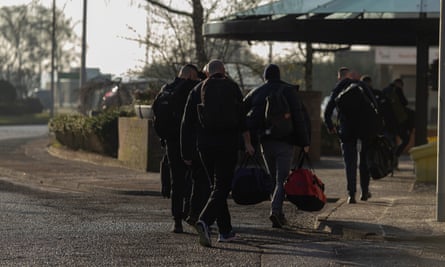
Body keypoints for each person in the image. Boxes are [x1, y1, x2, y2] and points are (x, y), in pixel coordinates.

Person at [181, 59, 255, 247]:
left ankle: (225, 231)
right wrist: (247, 143)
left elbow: (186, 123)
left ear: (206, 73)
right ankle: (204, 221)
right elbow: (242, 118)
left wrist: (186, 152)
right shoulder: (232, 87)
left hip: (205, 146)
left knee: (217, 187)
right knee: (222, 187)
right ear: (224, 71)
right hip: (228, 144)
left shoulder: (197, 90)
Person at [244, 64, 310, 228]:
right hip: (286, 142)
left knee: (273, 178)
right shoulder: (289, 91)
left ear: (265, 77)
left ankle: (279, 213)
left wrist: (247, 142)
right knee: (282, 179)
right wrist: (304, 142)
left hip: (265, 143)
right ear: (279, 75)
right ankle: (275, 210)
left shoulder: (256, 92)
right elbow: (299, 118)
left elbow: (242, 115)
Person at [152, 64, 206, 233]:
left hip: (171, 142)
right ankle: (192, 213)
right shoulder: (193, 89)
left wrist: (164, 138)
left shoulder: (166, 89)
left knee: (177, 181)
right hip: (190, 141)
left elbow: (156, 115)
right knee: (196, 179)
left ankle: (177, 221)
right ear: (191, 75)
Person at [324, 68, 376, 204]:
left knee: (350, 163)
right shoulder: (362, 85)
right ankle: (365, 191)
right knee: (364, 160)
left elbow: (328, 109)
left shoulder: (340, 86)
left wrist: (330, 126)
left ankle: (351, 194)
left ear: (339, 76)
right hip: (364, 130)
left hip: (347, 129)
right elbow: (375, 106)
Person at [382, 78, 414, 168]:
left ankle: (389, 162)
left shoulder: (385, 90)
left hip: (386, 123)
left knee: (390, 143)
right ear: (398, 84)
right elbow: (405, 102)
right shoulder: (398, 90)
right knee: (405, 139)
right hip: (398, 123)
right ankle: (394, 159)